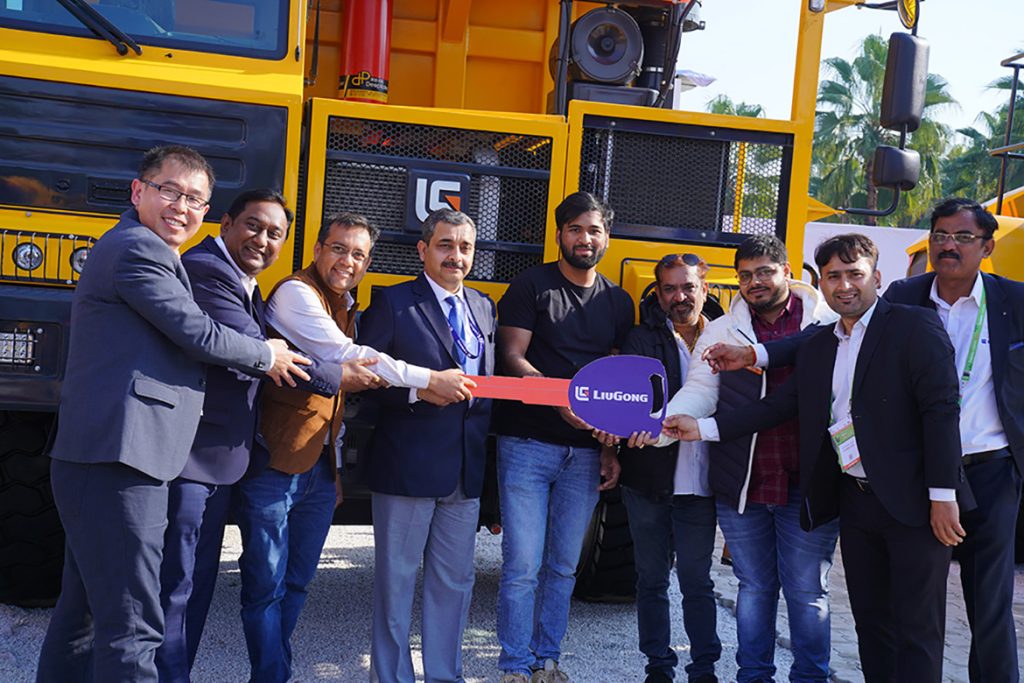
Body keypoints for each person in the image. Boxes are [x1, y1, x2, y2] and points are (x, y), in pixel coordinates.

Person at [36, 146, 311, 683]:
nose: (181, 207)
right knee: (134, 626)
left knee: (84, 617)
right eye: (170, 191)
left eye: (195, 199)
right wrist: (267, 355)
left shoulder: (140, 247)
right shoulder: (138, 249)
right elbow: (196, 332)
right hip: (121, 460)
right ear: (138, 191)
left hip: (104, 459)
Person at [662, 234, 969, 682]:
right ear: (821, 281)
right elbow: (777, 405)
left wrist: (943, 495)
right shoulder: (823, 341)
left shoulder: (912, 326)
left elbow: (941, 412)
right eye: (833, 276)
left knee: (917, 623)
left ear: (877, 278)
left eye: (854, 274)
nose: (844, 286)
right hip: (851, 498)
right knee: (870, 621)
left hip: (910, 500)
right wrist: (699, 428)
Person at [236, 211, 471, 683]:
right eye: (339, 249)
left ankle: (274, 671)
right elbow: (347, 357)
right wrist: (429, 380)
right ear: (318, 249)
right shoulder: (296, 294)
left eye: (359, 255)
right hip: (275, 465)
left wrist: (336, 465)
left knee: (296, 584)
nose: (348, 261)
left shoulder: (345, 303)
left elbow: (340, 395)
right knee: (265, 586)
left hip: (318, 469)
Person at [155, 189, 342, 682]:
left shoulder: (246, 283)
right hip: (193, 459)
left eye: (275, 234)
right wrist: (342, 376)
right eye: (254, 226)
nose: (262, 240)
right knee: (177, 588)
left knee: (193, 586)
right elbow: (260, 351)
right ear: (225, 224)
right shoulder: (208, 272)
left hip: (218, 462)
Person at [660, 235, 840, 682]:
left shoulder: (827, 323)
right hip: (744, 481)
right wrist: (667, 423)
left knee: (807, 592)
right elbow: (702, 389)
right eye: (745, 276)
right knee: (755, 588)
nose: (754, 282)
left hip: (808, 483)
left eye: (764, 272)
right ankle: (753, 676)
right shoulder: (722, 330)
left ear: (787, 272)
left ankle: (810, 679)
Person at [493, 191, 634, 683]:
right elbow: (512, 357)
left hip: (585, 454)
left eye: (594, 230)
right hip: (526, 444)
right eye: (575, 229)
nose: (585, 238)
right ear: (559, 235)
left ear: (607, 238)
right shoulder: (530, 286)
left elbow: (617, 381)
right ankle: (514, 666)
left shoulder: (618, 302)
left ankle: (547, 661)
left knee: (562, 567)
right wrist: (558, 399)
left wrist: (609, 447)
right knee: (522, 565)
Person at [883, 198, 1022, 683]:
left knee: (991, 605)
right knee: (918, 604)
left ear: (987, 247)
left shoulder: (1016, 302)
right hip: (920, 475)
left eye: (964, 237)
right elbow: (842, 337)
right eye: (940, 235)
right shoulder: (903, 297)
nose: (949, 246)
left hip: (992, 471)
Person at [357, 208, 495, 683]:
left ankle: (444, 676)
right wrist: (419, 391)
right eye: (445, 245)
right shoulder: (393, 304)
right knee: (395, 585)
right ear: (423, 249)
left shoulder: (483, 307)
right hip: (407, 467)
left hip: (464, 470)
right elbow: (366, 380)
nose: (456, 256)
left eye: (465, 247)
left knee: (455, 585)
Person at [616, 253, 723, 683]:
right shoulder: (640, 339)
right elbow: (630, 399)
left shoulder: (726, 335)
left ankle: (704, 669)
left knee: (697, 581)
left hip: (701, 483)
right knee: (651, 579)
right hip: (648, 480)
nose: (680, 297)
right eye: (670, 289)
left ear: (705, 288)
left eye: (688, 287)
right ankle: (658, 667)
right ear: (658, 294)